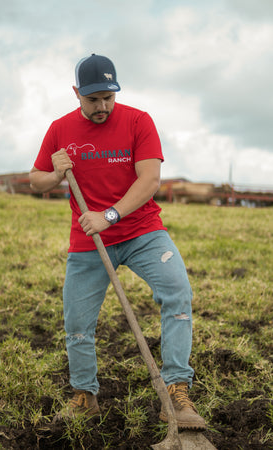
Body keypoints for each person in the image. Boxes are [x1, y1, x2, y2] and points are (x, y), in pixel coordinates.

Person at [29, 53, 206, 430]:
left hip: (142, 231)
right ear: (77, 93)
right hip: (89, 241)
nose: (102, 106)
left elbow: (149, 180)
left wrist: (108, 215)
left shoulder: (138, 121)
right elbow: (36, 180)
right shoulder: (60, 130)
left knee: (177, 294)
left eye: (108, 97)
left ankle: (176, 392)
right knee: (77, 321)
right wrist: (56, 174)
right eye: (93, 99)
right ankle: (84, 396)